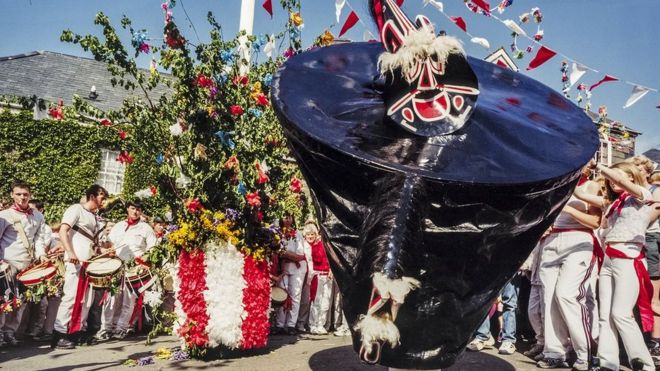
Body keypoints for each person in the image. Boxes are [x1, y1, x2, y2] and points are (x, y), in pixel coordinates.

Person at [536, 164, 602, 371]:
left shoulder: (591, 186)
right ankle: (554, 353)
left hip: (578, 239)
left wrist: (569, 208)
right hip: (551, 242)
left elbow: (594, 221)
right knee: (548, 299)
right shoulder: (554, 187)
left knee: (566, 295)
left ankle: (585, 354)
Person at [591, 162, 655, 370]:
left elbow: (621, 181)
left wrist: (597, 165)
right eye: (611, 176)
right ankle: (608, 361)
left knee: (621, 312)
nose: (612, 179)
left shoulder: (641, 195)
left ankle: (644, 363)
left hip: (628, 257)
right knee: (605, 313)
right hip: (610, 257)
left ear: (631, 176)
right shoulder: (614, 204)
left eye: (619, 175)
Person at [52, 184, 108, 349]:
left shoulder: (94, 217)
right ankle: (59, 334)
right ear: (92, 197)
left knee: (85, 300)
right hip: (75, 261)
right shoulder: (76, 209)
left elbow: (91, 242)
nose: (104, 201)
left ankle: (76, 332)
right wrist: (71, 253)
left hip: (88, 263)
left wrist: (105, 252)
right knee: (70, 297)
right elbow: (63, 231)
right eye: (102, 197)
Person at [98, 200, 157, 340]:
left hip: (134, 268)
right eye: (132, 208)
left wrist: (144, 263)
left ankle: (121, 328)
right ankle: (105, 328)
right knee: (111, 299)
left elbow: (153, 248)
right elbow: (109, 244)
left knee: (128, 300)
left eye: (138, 209)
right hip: (116, 266)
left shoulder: (146, 228)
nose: (135, 211)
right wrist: (104, 244)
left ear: (141, 211)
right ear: (127, 209)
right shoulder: (118, 226)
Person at [0, 180, 48, 347]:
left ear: (30, 195)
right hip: (6, 264)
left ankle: (10, 332)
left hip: (27, 265)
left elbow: (39, 239)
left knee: (20, 303)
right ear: (12, 195)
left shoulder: (38, 216)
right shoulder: (4, 215)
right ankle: (0, 333)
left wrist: (41, 255)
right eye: (18, 194)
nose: (22, 197)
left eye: (25, 194)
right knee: (4, 301)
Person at [627, 156, 660, 364]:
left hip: (649, 240)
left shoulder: (655, 190)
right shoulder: (626, 194)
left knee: (653, 297)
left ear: (647, 171)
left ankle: (656, 342)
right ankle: (636, 341)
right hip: (631, 241)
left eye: (638, 168)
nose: (635, 171)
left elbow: (648, 218)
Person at [467, 273, 521, 355]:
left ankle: (508, 340)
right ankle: (483, 336)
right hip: (490, 265)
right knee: (484, 299)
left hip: (511, 264)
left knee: (509, 303)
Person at [274, 214, 307, 335]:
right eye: (284, 217)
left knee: (295, 296)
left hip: (297, 269)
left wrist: (285, 254)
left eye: (289, 217)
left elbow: (300, 255)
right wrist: (287, 255)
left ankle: (291, 324)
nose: (287, 220)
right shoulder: (277, 233)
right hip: (282, 269)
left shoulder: (297, 234)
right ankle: (279, 324)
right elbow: (276, 251)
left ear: (293, 219)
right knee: (282, 294)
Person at [304, 222, 332, 335]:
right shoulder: (309, 246)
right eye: (308, 234)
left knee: (326, 301)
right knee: (316, 301)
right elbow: (315, 260)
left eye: (312, 234)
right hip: (317, 275)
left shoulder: (323, 243)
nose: (311, 236)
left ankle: (321, 324)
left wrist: (331, 269)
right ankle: (313, 324)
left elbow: (329, 258)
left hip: (327, 275)